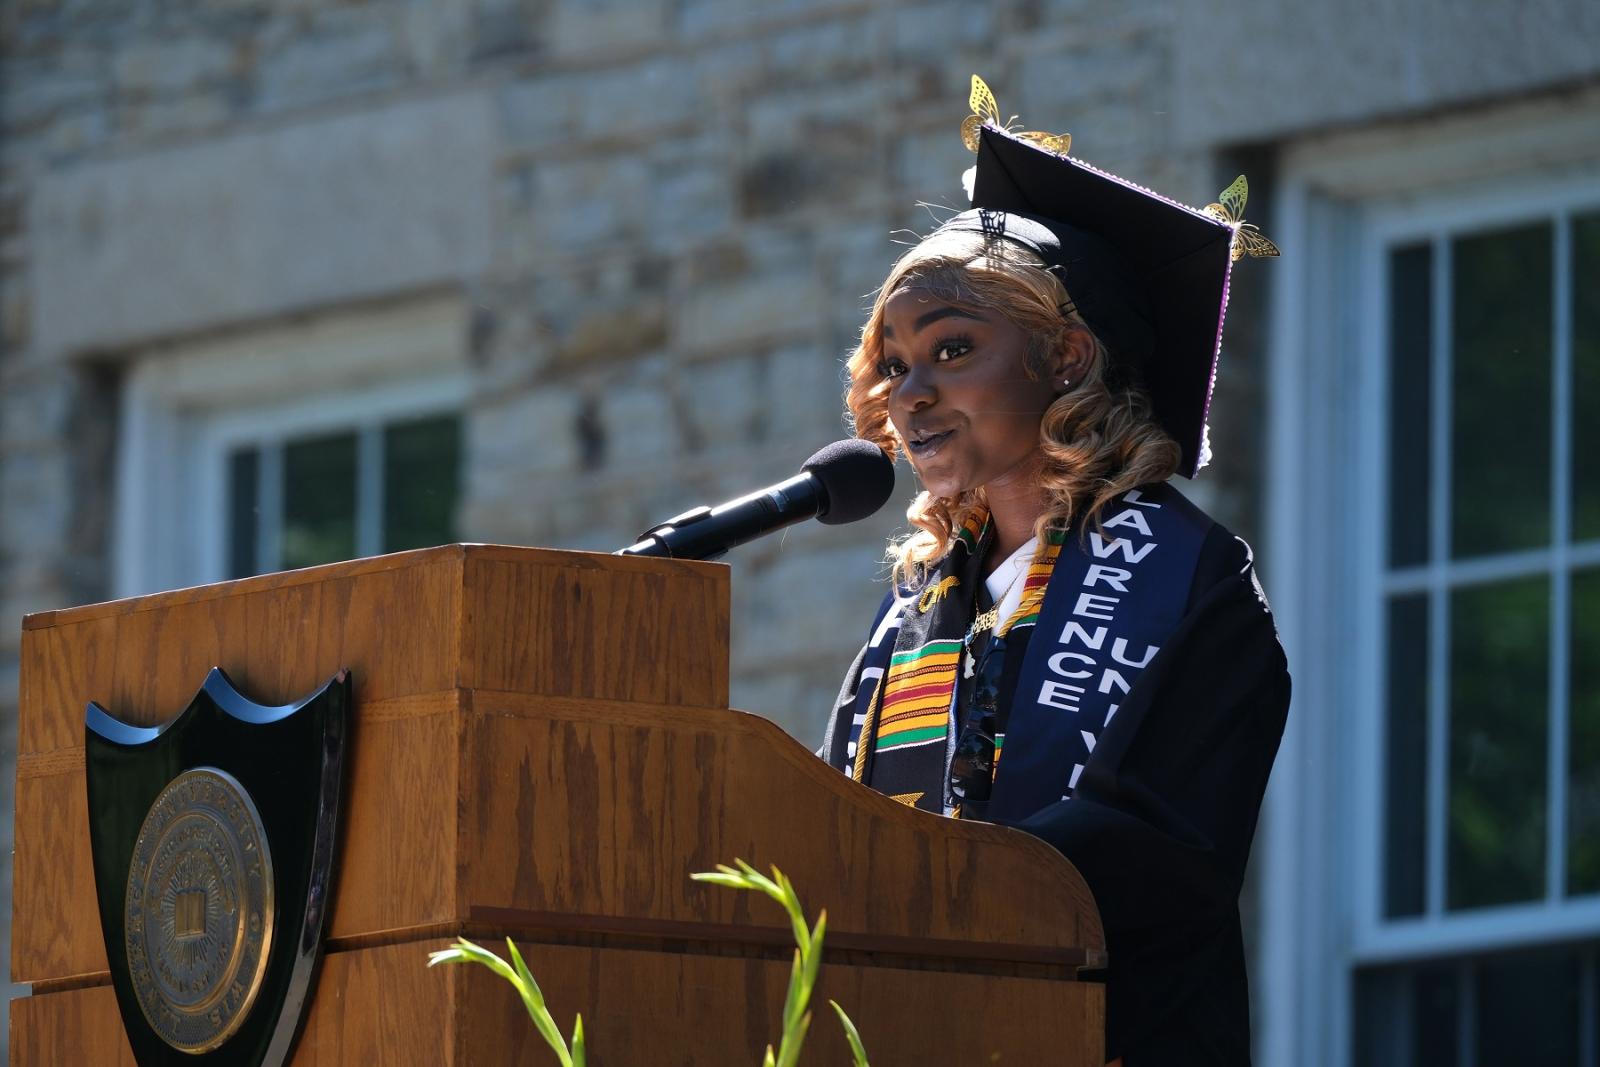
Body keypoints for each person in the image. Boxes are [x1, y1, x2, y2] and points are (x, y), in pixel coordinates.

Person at [818, 77, 1290, 1066]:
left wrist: (941, 882)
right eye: (893, 364)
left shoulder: (1188, 580)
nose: (911, 393)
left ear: (1066, 355)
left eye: (952, 347)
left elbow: (1163, 856)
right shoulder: (916, 608)